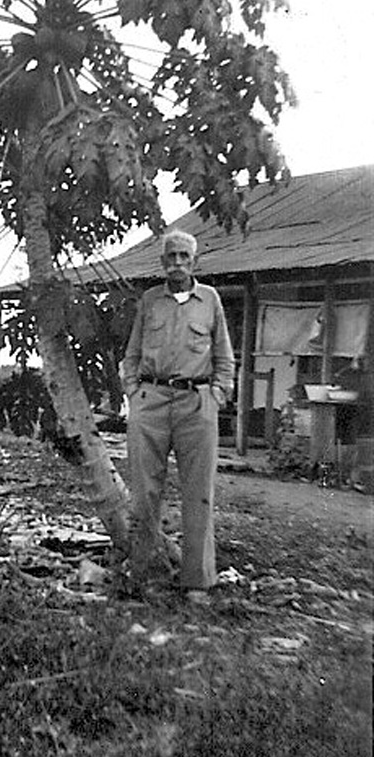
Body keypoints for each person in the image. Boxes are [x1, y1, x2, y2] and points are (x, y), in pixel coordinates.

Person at [122, 229, 235, 599]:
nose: (177, 263)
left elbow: (224, 357)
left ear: (195, 261)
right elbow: (132, 354)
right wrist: (133, 393)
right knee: (143, 492)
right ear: (162, 263)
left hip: (196, 403)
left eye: (184, 257)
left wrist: (217, 394)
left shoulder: (210, 300)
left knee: (198, 492)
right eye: (171, 257)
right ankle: (143, 575)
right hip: (150, 400)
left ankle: (197, 581)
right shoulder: (150, 300)